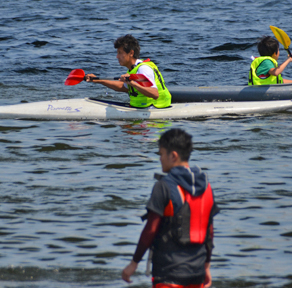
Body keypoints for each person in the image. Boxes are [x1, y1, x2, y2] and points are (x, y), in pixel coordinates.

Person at [122, 128, 219, 288]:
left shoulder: (164, 186)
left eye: (161, 154)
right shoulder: (206, 187)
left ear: (173, 156)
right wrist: (207, 265)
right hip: (196, 273)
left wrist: (134, 262)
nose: (159, 159)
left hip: (168, 272)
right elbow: (209, 231)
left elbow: (151, 229)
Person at [85, 34, 172, 108]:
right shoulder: (133, 69)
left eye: (120, 53)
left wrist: (132, 83)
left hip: (156, 109)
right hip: (142, 108)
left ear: (131, 53)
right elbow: (122, 87)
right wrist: (98, 80)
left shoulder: (143, 69)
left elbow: (154, 93)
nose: (117, 56)